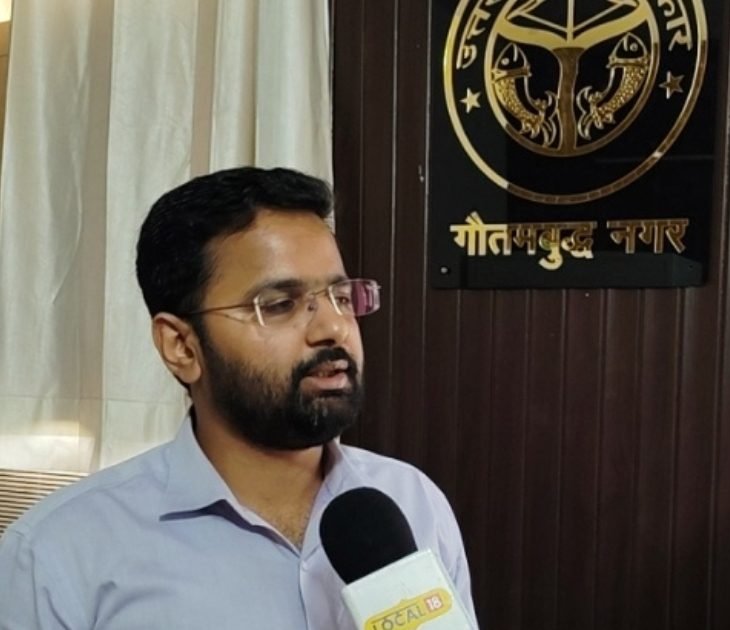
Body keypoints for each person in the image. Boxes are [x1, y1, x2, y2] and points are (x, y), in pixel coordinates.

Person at [0, 167, 477, 628]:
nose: (334, 328)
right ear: (181, 346)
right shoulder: (55, 555)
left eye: (341, 297)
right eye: (280, 305)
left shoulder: (412, 501)